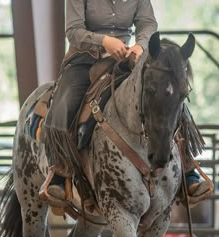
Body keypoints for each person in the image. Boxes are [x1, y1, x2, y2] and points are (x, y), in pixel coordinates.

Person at [41, 0, 212, 206]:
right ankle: (60, 171)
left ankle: (186, 167)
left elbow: (147, 23)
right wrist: (104, 41)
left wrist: (140, 44)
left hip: (127, 57)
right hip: (83, 59)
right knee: (65, 101)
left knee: (166, 92)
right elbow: (74, 31)